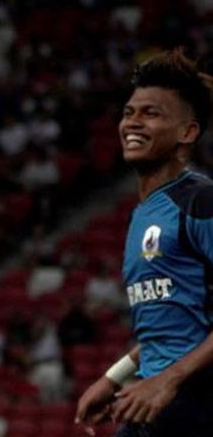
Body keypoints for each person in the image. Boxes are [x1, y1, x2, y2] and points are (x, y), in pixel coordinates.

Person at [75, 48, 213, 436]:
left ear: (187, 132)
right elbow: (177, 326)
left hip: (195, 403)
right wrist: (114, 377)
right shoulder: (145, 213)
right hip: (155, 400)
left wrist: (167, 381)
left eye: (151, 113)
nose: (132, 122)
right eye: (129, 112)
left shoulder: (201, 201)